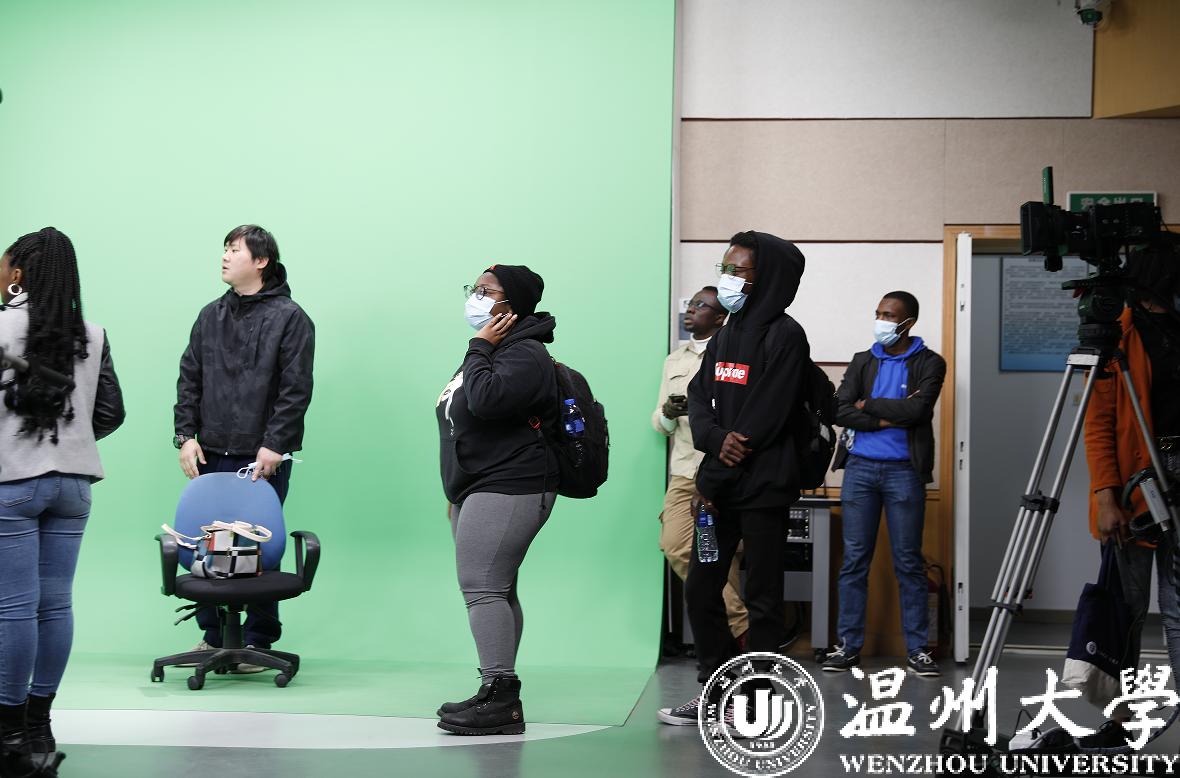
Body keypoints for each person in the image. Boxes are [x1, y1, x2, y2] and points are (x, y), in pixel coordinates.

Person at [659, 230, 810, 725]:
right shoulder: (727, 333)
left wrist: (725, 447)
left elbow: (768, 412)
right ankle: (716, 690)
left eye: (737, 270)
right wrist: (713, 442)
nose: (726, 278)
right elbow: (700, 397)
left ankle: (755, 703)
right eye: (723, 268)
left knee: (763, 598)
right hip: (717, 489)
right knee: (702, 588)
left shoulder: (786, 335)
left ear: (765, 277)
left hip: (763, 489)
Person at [0, 227, 125, 777]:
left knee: (12, 608)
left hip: (13, 484)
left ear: (19, 274)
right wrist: (67, 440)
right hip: (73, 486)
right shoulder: (92, 335)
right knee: (54, 606)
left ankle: (7, 733)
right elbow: (111, 413)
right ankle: (39, 725)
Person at [173, 225, 314, 662]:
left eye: (234, 250)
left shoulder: (291, 318)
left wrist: (275, 444)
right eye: (225, 249)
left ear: (261, 260)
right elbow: (189, 378)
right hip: (211, 450)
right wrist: (185, 436)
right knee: (206, 544)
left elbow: (295, 389)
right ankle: (214, 636)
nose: (225, 256)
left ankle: (257, 639)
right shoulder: (209, 316)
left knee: (257, 545)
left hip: (261, 455)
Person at [435, 264, 558, 736]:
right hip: (479, 487)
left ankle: (502, 697)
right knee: (498, 589)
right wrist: (457, 491)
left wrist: (478, 346)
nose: (476, 297)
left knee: (482, 587)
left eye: (486, 290)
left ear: (513, 303)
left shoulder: (524, 353)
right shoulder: (496, 350)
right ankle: (494, 690)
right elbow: (461, 422)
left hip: (512, 484)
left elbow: (485, 402)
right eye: (475, 288)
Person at [1079, 242, 1180, 748]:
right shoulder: (1115, 334)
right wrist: (1105, 493)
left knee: (1179, 609)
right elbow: (1097, 422)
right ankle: (1120, 720)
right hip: (1135, 481)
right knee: (1127, 608)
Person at [823, 291, 945, 677]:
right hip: (860, 469)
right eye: (878, 313)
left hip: (904, 472)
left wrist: (869, 403)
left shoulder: (930, 362)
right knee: (854, 560)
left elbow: (919, 410)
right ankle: (848, 647)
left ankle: (917, 650)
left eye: (889, 315)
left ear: (909, 322)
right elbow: (839, 409)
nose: (881, 321)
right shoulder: (864, 360)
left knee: (908, 561)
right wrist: (882, 419)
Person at [653, 287, 748, 653]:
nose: (690, 310)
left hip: (722, 470)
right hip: (684, 472)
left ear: (720, 317)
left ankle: (728, 653)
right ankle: (742, 626)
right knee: (675, 545)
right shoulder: (674, 360)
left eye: (700, 305)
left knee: (722, 555)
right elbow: (659, 423)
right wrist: (668, 413)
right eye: (690, 304)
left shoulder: (732, 356)